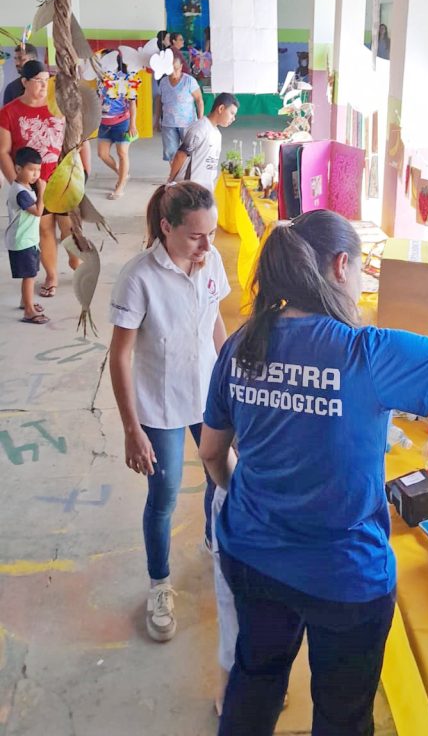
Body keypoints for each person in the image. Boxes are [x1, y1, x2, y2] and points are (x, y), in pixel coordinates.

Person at [200, 209, 428, 736]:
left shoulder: (242, 344)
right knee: (342, 714)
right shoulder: (365, 352)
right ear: (341, 266)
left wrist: (257, 502)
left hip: (253, 557)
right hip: (344, 577)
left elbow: (212, 454)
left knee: (254, 682)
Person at [109, 181, 230, 643]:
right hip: (158, 406)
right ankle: (160, 583)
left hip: (207, 397)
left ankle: (215, 543)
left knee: (222, 477)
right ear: (166, 227)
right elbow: (120, 356)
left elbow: (215, 320)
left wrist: (230, 379)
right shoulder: (139, 277)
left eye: (213, 233)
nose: (207, 244)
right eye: (196, 235)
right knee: (164, 495)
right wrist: (131, 428)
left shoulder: (211, 261)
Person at [0, 59, 78, 298]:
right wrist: (18, 184)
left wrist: (82, 166)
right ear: (24, 82)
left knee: (69, 228)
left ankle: (75, 260)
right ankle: (52, 275)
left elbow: (75, 138)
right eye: (38, 82)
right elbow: (3, 150)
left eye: (47, 81)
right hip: (32, 183)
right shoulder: (9, 112)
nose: (45, 86)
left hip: (62, 177)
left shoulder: (59, 106)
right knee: (44, 230)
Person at [5, 146, 48, 324]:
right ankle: (29, 311)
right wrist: (43, 190)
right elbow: (38, 211)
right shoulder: (21, 192)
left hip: (28, 239)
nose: (35, 174)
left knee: (30, 274)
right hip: (22, 241)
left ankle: (26, 301)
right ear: (18, 169)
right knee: (29, 276)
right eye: (31, 170)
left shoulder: (24, 187)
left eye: (38, 170)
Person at [167, 93, 239, 190]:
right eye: (232, 113)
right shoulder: (200, 128)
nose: (233, 118)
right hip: (189, 188)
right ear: (221, 108)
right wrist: (171, 180)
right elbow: (181, 155)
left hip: (205, 189)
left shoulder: (217, 134)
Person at [97, 53, 138, 200]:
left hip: (122, 121)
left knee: (122, 153)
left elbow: (132, 103)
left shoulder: (126, 78)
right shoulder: (100, 77)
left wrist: (132, 124)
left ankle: (120, 187)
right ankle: (122, 173)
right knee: (102, 154)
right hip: (104, 122)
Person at [154, 54, 204, 163]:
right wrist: (157, 120)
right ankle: (174, 177)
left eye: (176, 69)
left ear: (181, 67)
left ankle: (187, 176)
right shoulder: (163, 82)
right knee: (171, 153)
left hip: (188, 124)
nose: (173, 72)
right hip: (168, 124)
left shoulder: (189, 81)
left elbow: (199, 100)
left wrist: (200, 121)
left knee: (189, 152)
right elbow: (158, 101)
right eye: (170, 70)